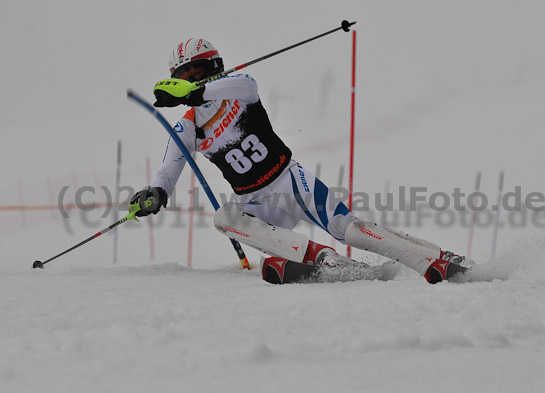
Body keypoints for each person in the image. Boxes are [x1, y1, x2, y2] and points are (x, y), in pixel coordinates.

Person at [130, 37, 472, 284]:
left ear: (215, 67)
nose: (193, 78)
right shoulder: (188, 125)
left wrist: (194, 91)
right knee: (224, 218)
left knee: (347, 229)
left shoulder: (239, 88)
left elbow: (245, 86)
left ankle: (435, 256)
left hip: (291, 181)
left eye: (199, 70)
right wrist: (156, 192)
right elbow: (169, 167)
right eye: (186, 75)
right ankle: (320, 259)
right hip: (256, 203)